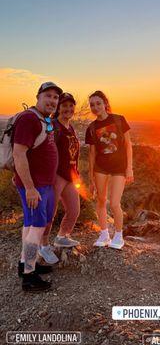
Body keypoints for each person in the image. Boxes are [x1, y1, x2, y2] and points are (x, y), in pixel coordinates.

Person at [12, 81, 63, 291]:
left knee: (30, 225)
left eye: (55, 97)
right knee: (37, 227)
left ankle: (25, 263)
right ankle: (29, 277)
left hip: (41, 184)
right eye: (48, 95)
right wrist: (30, 188)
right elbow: (18, 153)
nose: (52, 100)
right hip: (35, 186)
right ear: (38, 96)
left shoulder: (42, 119)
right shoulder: (29, 119)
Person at [85, 90, 134, 250]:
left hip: (119, 168)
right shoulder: (91, 128)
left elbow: (128, 145)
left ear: (105, 103)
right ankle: (104, 233)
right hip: (100, 168)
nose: (95, 107)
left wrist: (129, 168)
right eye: (92, 105)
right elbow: (92, 154)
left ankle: (118, 235)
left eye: (98, 103)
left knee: (114, 203)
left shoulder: (119, 120)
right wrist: (91, 176)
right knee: (100, 200)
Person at [39, 92, 80, 264]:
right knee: (50, 212)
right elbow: (44, 150)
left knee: (74, 209)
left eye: (71, 106)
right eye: (64, 105)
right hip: (55, 175)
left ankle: (62, 236)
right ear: (58, 108)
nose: (68, 109)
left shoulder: (70, 127)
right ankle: (43, 245)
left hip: (69, 175)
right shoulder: (52, 125)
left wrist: (76, 173)